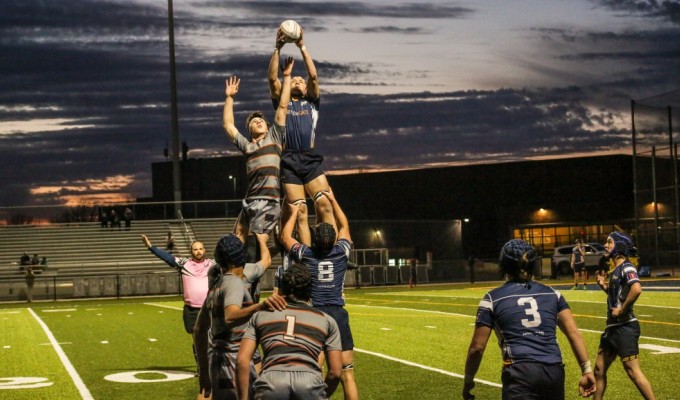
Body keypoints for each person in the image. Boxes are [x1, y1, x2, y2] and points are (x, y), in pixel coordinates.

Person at [463, 239, 596, 400]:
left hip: (520, 371)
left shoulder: (492, 298)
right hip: (553, 370)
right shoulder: (553, 294)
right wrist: (587, 370)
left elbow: (477, 348)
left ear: (504, 264)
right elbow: (573, 333)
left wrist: (469, 380)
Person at [281, 189, 360, 400]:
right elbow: (344, 225)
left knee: (315, 368)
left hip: (315, 314)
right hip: (338, 313)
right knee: (347, 373)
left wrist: (293, 213)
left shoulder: (307, 255)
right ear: (334, 239)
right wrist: (333, 200)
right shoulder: (341, 251)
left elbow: (285, 237)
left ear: (314, 238)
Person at [193, 233, 281, 400]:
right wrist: (261, 305)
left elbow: (199, 330)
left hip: (218, 361)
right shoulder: (234, 282)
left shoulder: (215, 287)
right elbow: (230, 316)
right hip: (233, 360)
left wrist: (204, 371)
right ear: (242, 255)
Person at [236, 264, 342, 400]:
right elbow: (335, 372)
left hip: (271, 382)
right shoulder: (326, 320)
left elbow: (242, 361)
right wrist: (320, 395)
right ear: (310, 289)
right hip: (309, 382)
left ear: (282, 288)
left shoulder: (260, 315)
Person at [268, 26, 337, 231]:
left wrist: (302, 47)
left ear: (305, 88)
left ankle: (330, 250)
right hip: (288, 158)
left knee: (325, 205)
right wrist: (277, 48)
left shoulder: (312, 102)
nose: (297, 80)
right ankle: (306, 258)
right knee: (300, 212)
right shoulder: (282, 102)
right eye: (294, 79)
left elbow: (314, 76)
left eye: (300, 80)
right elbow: (273, 79)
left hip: (309, 158)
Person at [222, 57, 294, 250]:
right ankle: (242, 274)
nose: (258, 121)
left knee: (259, 241)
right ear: (250, 130)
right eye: (254, 121)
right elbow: (228, 126)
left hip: (268, 200)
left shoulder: (275, 137)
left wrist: (286, 77)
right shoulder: (247, 146)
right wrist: (230, 98)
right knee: (238, 236)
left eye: (261, 120)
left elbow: (283, 106)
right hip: (250, 200)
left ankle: (256, 275)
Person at [141, 234, 217, 376]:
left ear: (205, 250)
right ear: (191, 251)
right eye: (195, 249)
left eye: (201, 249)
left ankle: (212, 365)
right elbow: (167, 257)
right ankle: (201, 367)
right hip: (191, 310)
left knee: (210, 338)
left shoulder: (212, 264)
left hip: (208, 309)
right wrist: (151, 247)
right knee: (196, 338)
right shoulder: (184, 263)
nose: (198, 251)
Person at [593, 232, 655, 400]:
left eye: (609, 242)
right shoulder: (615, 270)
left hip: (624, 327)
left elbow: (636, 288)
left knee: (632, 371)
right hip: (612, 328)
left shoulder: (627, 267)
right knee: (599, 370)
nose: (605, 245)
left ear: (619, 246)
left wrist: (622, 311)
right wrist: (603, 287)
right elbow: (617, 298)